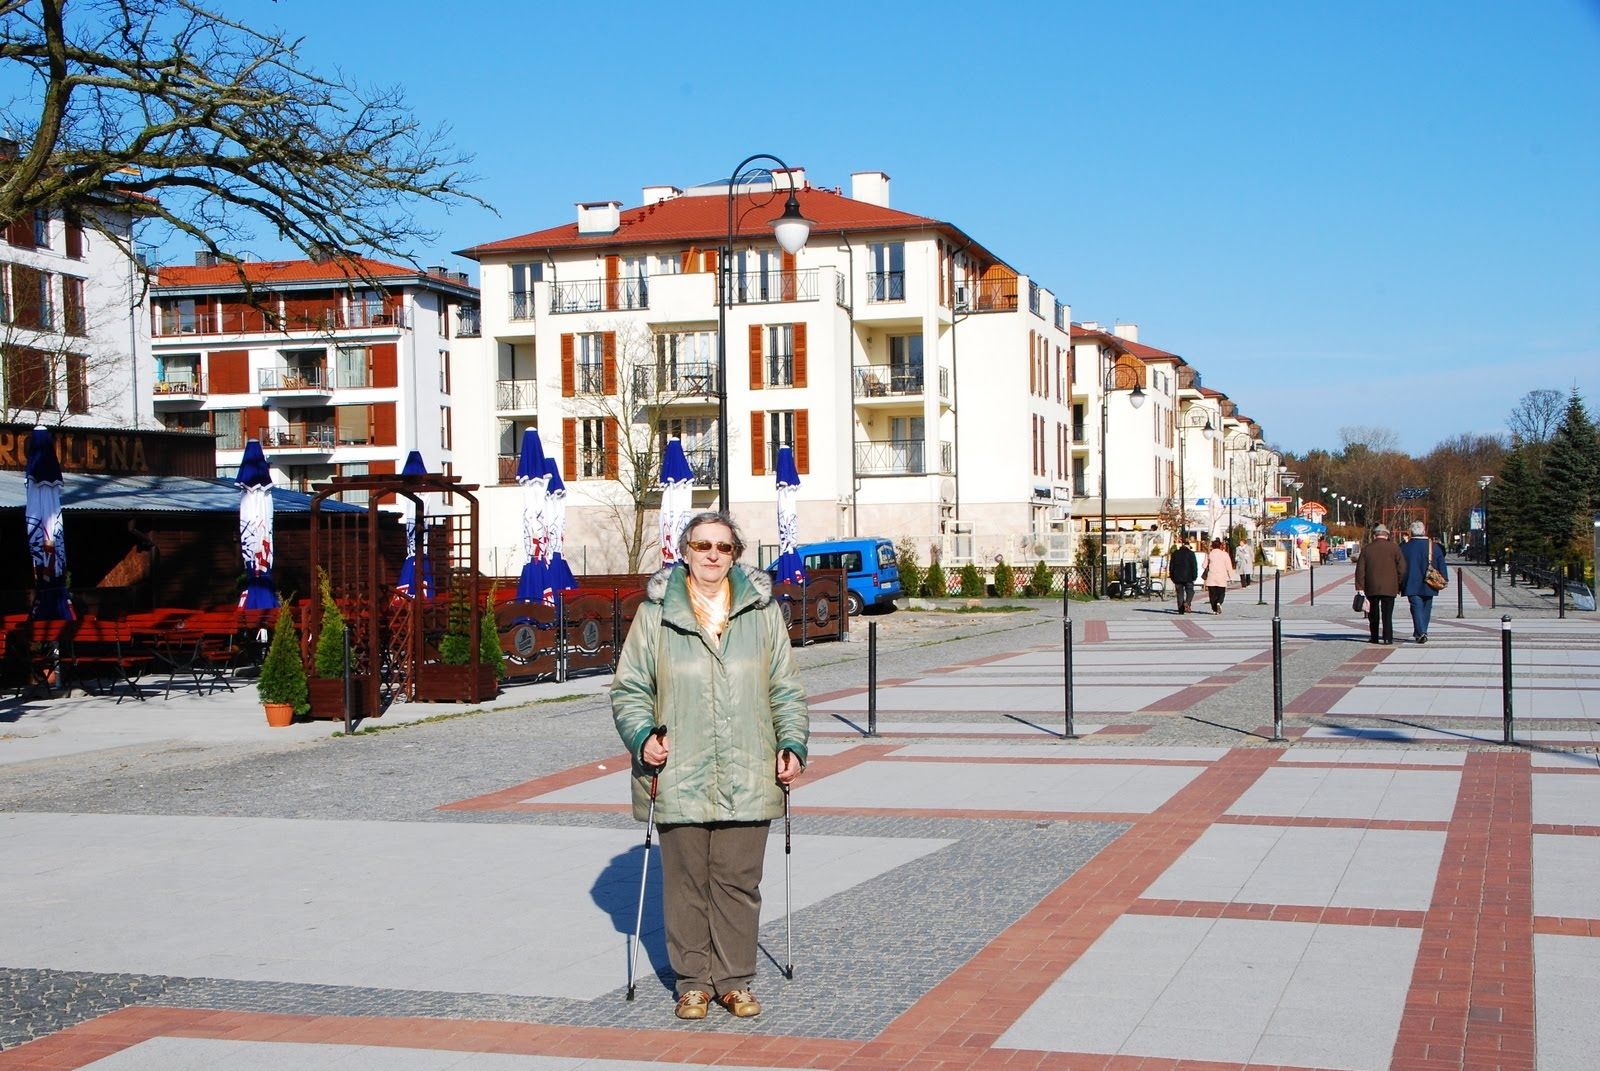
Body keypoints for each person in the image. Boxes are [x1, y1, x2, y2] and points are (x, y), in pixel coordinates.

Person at [610, 510, 810, 1021]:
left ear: (736, 555)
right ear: (686, 551)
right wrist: (641, 737)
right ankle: (693, 982)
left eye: (723, 548)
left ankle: (735, 980)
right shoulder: (656, 614)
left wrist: (792, 743)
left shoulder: (762, 613)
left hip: (749, 768)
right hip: (679, 768)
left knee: (738, 881)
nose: (713, 556)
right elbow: (630, 688)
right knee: (685, 884)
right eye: (703, 546)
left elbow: (785, 689)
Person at [1355, 523, 1406, 645]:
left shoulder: (1367, 549)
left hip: (1371, 587)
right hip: (1390, 587)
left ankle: (1374, 637)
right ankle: (1388, 638)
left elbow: (1360, 569)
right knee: (1387, 614)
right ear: (1387, 535)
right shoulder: (1394, 548)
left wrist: (1360, 587)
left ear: (1374, 536)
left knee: (1373, 614)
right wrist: (1399, 583)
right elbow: (1402, 568)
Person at [1399, 519, 1447, 643]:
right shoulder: (1434, 547)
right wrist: (1444, 578)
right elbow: (1441, 564)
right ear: (1424, 531)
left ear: (1411, 532)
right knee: (1426, 607)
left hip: (1410, 582)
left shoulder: (1405, 548)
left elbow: (1399, 566)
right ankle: (1422, 631)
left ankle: (1420, 632)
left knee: (1416, 607)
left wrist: (1398, 582)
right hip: (1430, 582)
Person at [1202, 538, 1236, 614]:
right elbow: (1229, 566)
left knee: (1212, 594)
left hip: (1211, 576)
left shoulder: (1209, 554)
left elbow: (1204, 565)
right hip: (1222, 576)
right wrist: (1231, 576)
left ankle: (1214, 609)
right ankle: (1219, 603)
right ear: (1220, 546)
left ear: (1212, 546)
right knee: (1221, 592)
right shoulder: (1225, 554)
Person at [1169, 535, 1199, 614]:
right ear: (1188, 546)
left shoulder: (1175, 553)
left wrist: (1172, 576)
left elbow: (1171, 566)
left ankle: (1181, 610)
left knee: (1180, 593)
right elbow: (1194, 566)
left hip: (1177, 577)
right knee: (1190, 591)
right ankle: (1187, 602)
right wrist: (1195, 576)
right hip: (1189, 577)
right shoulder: (1191, 554)